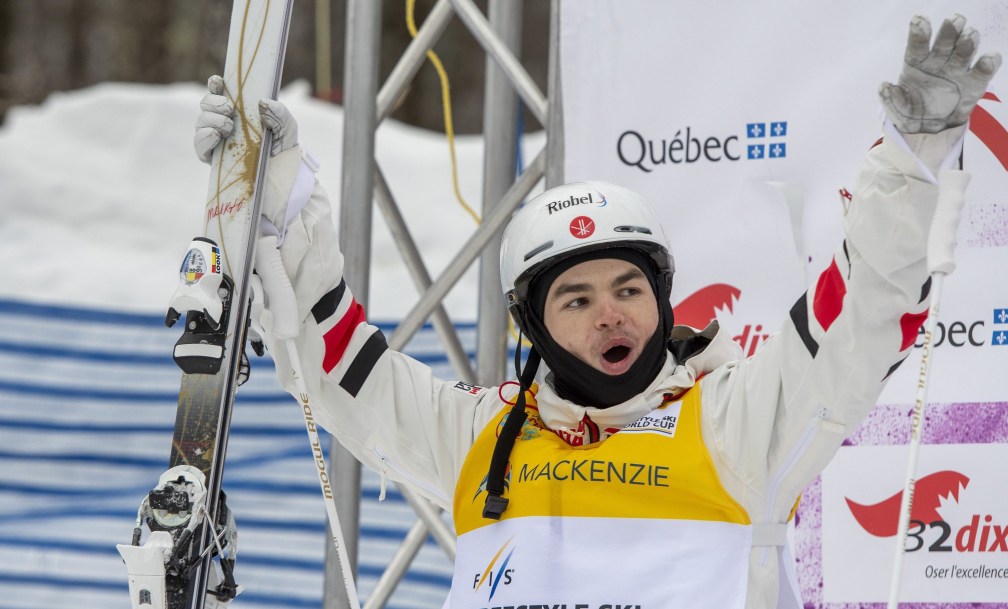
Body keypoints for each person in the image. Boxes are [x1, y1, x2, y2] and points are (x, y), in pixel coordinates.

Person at [194, 14, 999, 609]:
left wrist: (908, 163)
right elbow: (336, 362)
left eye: (629, 288)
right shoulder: (482, 437)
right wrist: (277, 198)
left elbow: (863, 314)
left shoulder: (739, 423)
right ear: (534, 325)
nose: (611, 314)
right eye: (576, 298)